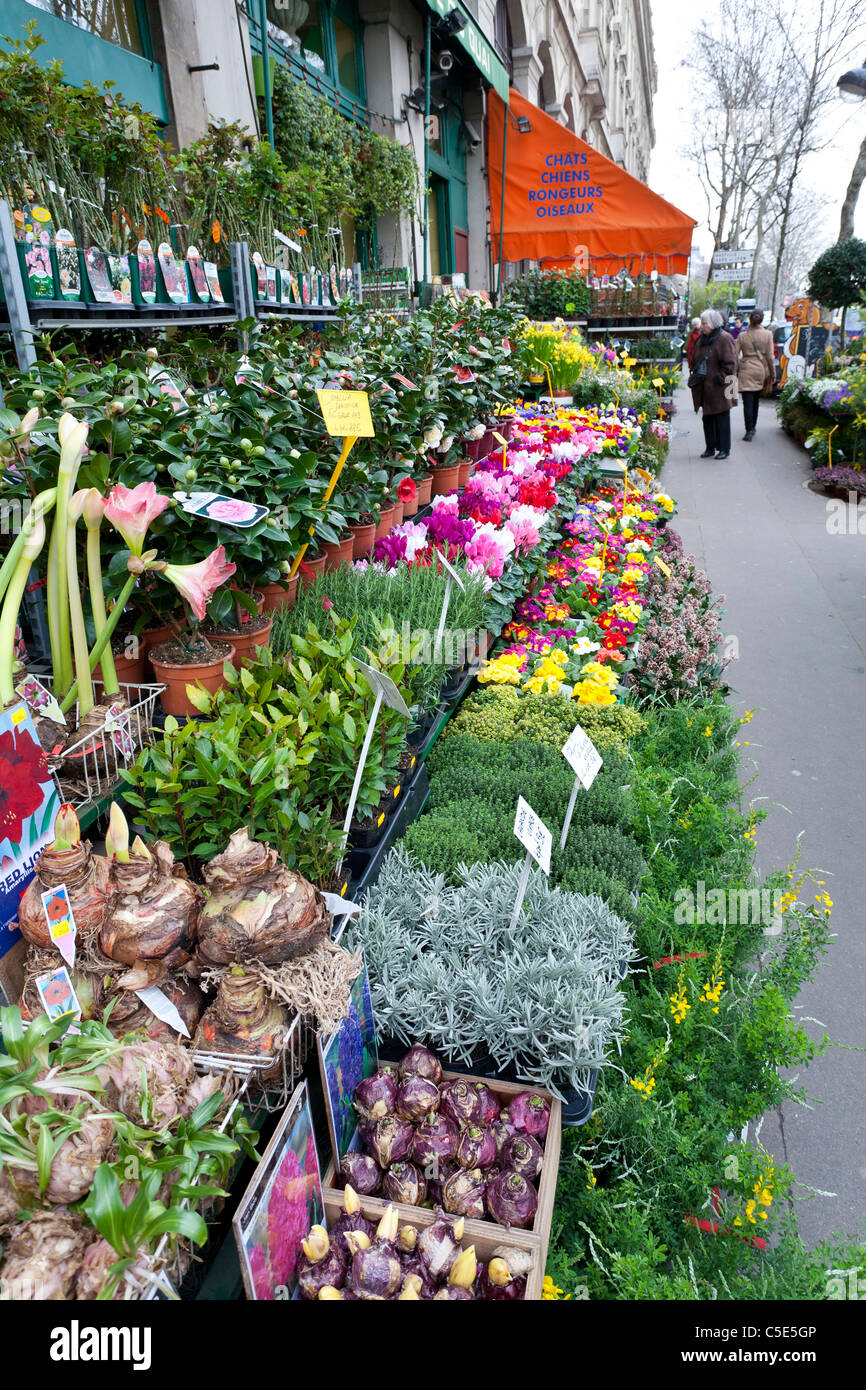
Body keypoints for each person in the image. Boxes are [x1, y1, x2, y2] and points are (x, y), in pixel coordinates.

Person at [689, 308, 738, 459]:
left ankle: (724, 449)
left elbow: (731, 363)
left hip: (720, 387)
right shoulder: (702, 339)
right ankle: (710, 447)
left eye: (704, 323)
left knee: (722, 418)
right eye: (702, 323)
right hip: (704, 387)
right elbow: (695, 357)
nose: (702, 326)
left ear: (713, 323)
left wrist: (720, 378)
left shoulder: (724, 338)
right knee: (708, 418)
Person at [736, 309, 775, 440]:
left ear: (750, 319)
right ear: (762, 320)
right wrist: (772, 373)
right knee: (756, 399)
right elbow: (770, 356)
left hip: (746, 369)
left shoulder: (742, 336)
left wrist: (736, 370)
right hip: (760, 370)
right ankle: (753, 427)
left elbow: (734, 355)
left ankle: (749, 430)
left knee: (747, 401)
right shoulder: (768, 334)